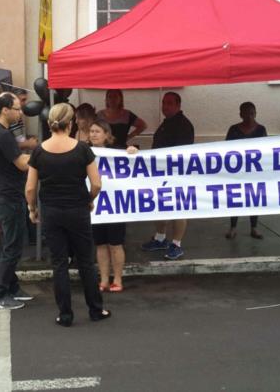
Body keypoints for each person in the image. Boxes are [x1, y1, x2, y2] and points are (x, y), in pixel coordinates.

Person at [26, 103, 110, 326]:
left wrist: (32, 209)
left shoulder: (39, 151)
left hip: (52, 212)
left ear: (49, 123)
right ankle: (95, 309)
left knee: (59, 263)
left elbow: (30, 188)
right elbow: (96, 184)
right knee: (85, 262)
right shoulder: (83, 149)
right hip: (77, 210)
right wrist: (89, 201)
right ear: (71, 123)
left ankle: (65, 314)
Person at [0, 93, 33, 310]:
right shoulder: (2, 135)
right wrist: (43, 153)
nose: (20, 112)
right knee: (12, 246)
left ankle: (12, 287)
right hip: (8, 196)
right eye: (16, 108)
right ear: (5, 110)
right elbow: (22, 164)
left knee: (10, 244)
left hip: (2, 194)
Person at [142, 91, 195, 260]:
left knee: (178, 209)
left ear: (178, 105)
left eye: (169, 103)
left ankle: (176, 244)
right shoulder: (167, 123)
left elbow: (181, 153)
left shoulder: (184, 125)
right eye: (164, 103)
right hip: (160, 174)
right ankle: (160, 238)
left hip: (176, 175)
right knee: (161, 206)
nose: (165, 106)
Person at [89, 119, 134, 292]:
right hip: (95, 205)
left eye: (97, 131)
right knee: (100, 244)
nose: (93, 134)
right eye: (91, 131)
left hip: (115, 205)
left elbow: (134, 159)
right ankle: (104, 279)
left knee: (115, 244)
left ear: (107, 135)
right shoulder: (84, 152)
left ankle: (118, 279)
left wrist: (133, 151)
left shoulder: (117, 153)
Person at [225, 102, 268, 240]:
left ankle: (254, 228)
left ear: (256, 113)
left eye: (252, 113)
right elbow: (225, 149)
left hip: (255, 172)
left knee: (254, 198)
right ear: (240, 114)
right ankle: (233, 227)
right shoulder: (233, 129)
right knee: (235, 198)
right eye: (246, 113)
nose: (249, 116)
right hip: (237, 171)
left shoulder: (261, 129)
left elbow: (266, 150)